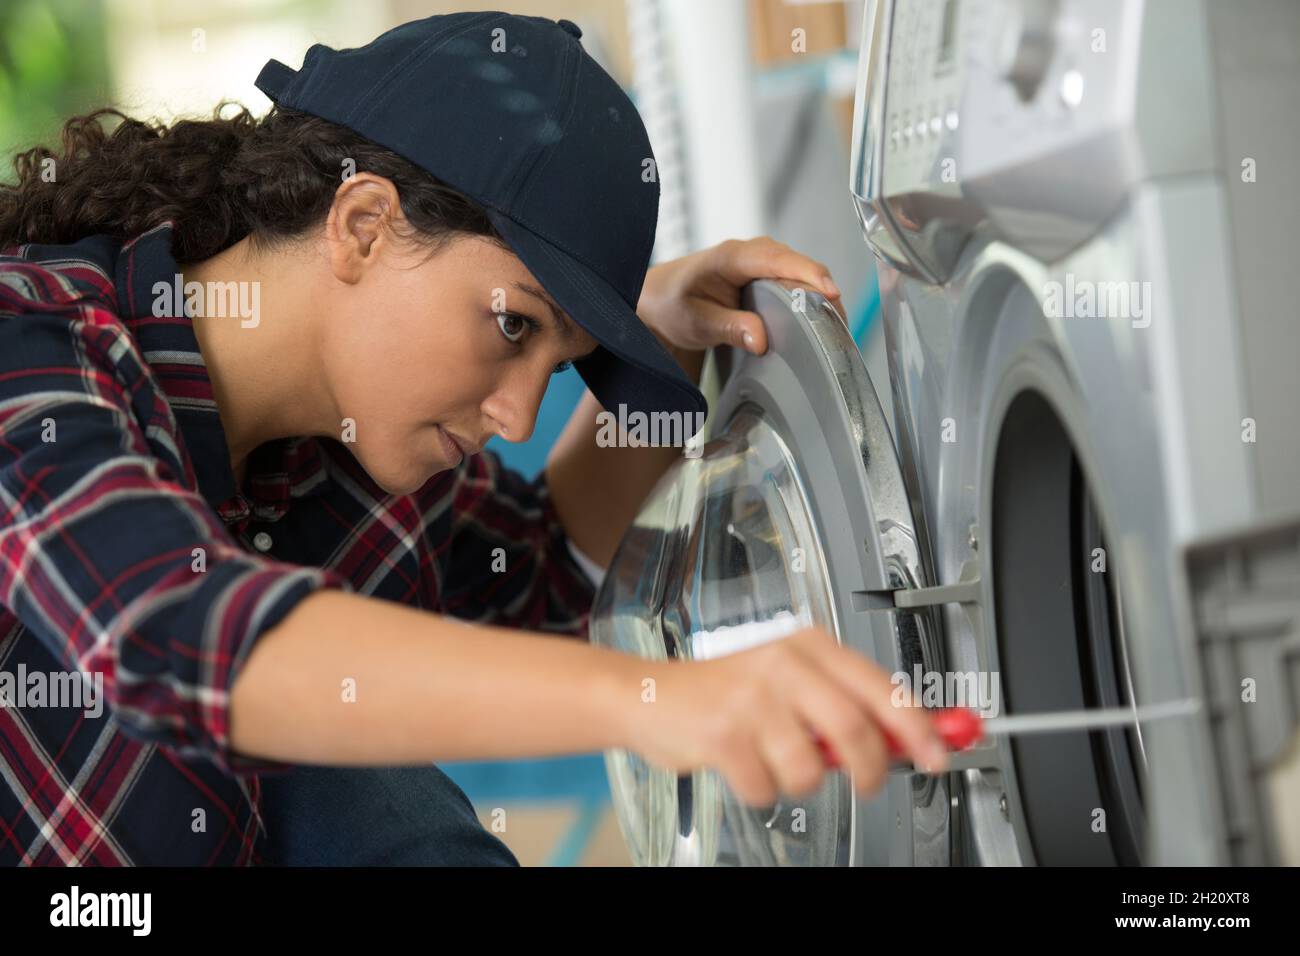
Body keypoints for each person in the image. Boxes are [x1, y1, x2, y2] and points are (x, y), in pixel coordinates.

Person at [0, 11, 946, 866]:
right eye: (512, 329)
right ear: (362, 224)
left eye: (557, 360)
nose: (521, 417)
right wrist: (663, 703)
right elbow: (170, 634)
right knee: (357, 784)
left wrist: (655, 340)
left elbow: (544, 572)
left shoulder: (343, 447)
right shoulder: (29, 344)